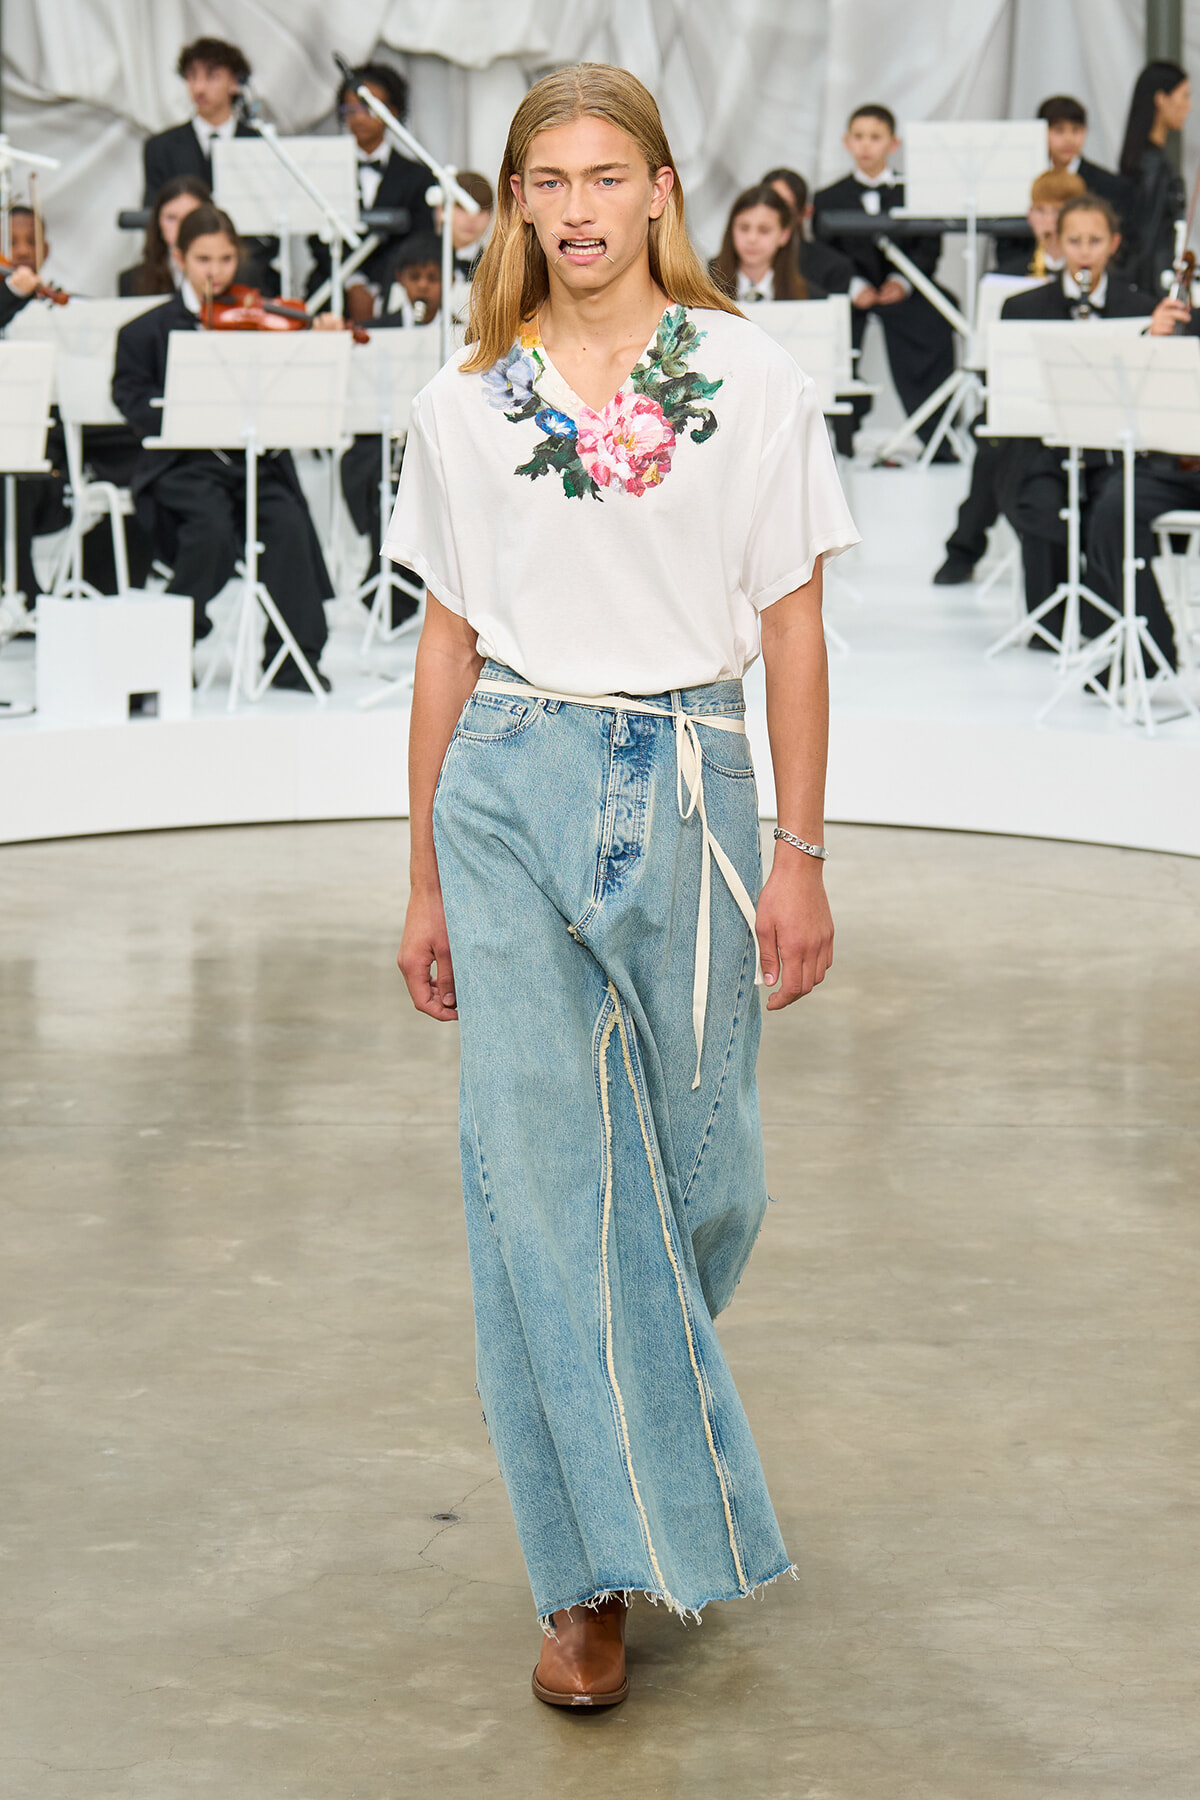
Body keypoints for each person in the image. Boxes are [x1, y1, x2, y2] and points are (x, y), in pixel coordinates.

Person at [385, 62, 857, 1708]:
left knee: (705, 1185)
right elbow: (444, 646)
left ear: (661, 188)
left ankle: (618, 1442)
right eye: (548, 181)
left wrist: (802, 851)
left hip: (695, 781)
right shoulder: (464, 403)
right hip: (507, 781)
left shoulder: (751, 378)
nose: (577, 209)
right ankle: (584, 1584)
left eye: (606, 176)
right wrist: (422, 877)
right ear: (515, 205)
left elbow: (795, 629)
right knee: (540, 1185)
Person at [111, 204, 336, 688]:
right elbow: (130, 397)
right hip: (183, 465)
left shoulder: (260, 319)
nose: (215, 272)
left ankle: (293, 658)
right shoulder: (143, 331)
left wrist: (320, 342)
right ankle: (170, 645)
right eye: (203, 260)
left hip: (252, 461)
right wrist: (184, 412)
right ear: (179, 258)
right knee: (209, 530)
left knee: (288, 524)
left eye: (226, 259)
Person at [996, 195, 1155, 640]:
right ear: (1058, 243)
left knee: (1114, 507)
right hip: (1044, 444)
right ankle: (1050, 627)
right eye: (1074, 240)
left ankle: (1103, 621)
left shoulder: (1141, 307)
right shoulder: (1021, 307)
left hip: (1112, 448)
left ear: (1114, 243)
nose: (1084, 251)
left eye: (1095, 240)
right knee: (1041, 501)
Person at [934, 171, 1087, 587]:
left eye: (1059, 211)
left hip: (1074, 400)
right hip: (1019, 394)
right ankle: (968, 548)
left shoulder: (1095, 275)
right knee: (993, 447)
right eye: (1041, 210)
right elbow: (992, 356)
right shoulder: (1010, 274)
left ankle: (989, 548)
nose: (1050, 220)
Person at [814, 104, 957, 458]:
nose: (866, 145)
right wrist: (853, 286)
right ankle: (839, 440)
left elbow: (929, 246)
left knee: (938, 315)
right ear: (847, 142)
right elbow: (823, 252)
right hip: (851, 294)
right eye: (859, 137)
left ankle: (938, 435)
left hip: (906, 292)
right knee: (831, 329)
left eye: (875, 137)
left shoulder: (917, 192)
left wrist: (903, 282)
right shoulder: (827, 197)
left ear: (893, 144)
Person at [1084, 286, 1200, 671]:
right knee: (1112, 510)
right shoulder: (1187, 312)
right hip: (1177, 463)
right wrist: (1152, 339)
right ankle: (1150, 647)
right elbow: (1136, 390)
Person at [339, 234, 443, 622]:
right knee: (364, 472)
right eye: (415, 278)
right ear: (400, 280)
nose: (423, 288)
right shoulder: (374, 331)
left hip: (436, 440)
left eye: (432, 278)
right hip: (382, 437)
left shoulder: (460, 332)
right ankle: (385, 572)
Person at [307, 63, 434, 322]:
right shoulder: (325, 172)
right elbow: (316, 237)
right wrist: (353, 281)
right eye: (350, 110)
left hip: (396, 290)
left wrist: (378, 288)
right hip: (332, 288)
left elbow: (419, 240)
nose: (359, 118)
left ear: (392, 112)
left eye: (368, 108)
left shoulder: (418, 176)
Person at [1116, 61, 1191, 297]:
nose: (1189, 106)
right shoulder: (1152, 166)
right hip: (1153, 288)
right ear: (1161, 99)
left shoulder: (1148, 160)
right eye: (1184, 96)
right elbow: (1147, 241)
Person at [709, 182, 819, 301]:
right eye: (744, 228)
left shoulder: (811, 298)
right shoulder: (705, 289)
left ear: (784, 234)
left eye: (764, 230)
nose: (752, 239)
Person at [1037, 95, 1131, 219]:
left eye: (1076, 130)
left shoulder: (1112, 187)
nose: (1068, 139)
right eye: (1059, 130)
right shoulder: (1029, 180)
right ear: (1041, 131)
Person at [762, 168, 854, 294]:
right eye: (770, 204)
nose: (774, 214)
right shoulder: (738, 262)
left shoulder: (833, 268)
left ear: (806, 212)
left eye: (785, 206)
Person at [119, 176, 209, 296]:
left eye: (191, 217)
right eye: (171, 218)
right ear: (158, 222)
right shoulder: (133, 280)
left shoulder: (228, 275)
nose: (181, 226)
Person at [432, 169, 495, 325]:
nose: (472, 218)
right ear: (441, 210)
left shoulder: (496, 266)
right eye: (462, 207)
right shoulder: (414, 258)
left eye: (482, 210)